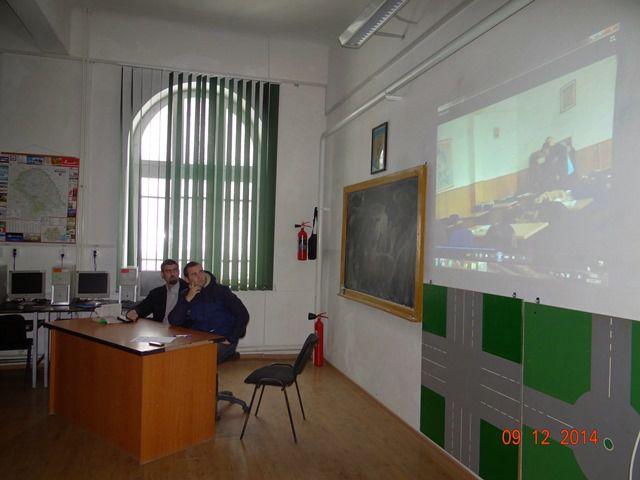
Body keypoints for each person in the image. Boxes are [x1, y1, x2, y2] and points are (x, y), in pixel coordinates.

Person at [169, 261, 249, 363]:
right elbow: (174, 321)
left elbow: (243, 314)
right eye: (194, 274)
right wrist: (187, 299)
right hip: (198, 340)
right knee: (174, 355)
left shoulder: (221, 291)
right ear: (187, 279)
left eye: (201, 271)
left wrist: (231, 338)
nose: (200, 276)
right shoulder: (185, 294)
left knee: (199, 358)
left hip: (222, 339)